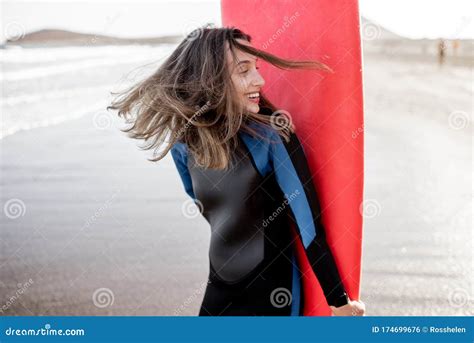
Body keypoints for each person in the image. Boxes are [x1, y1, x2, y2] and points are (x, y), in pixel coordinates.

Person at [109, 26, 366, 316]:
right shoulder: (185, 142)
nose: (260, 79)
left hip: (273, 293)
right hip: (219, 289)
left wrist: (338, 301)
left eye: (256, 67)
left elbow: (309, 228)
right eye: (244, 71)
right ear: (211, 80)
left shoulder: (271, 136)